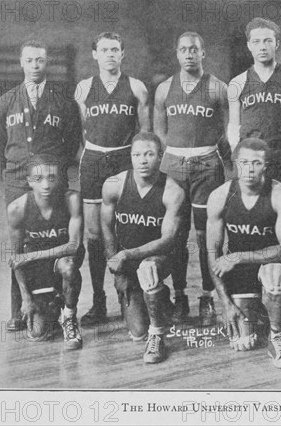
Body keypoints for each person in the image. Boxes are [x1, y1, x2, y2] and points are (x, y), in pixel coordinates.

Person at [0, 39, 83, 332]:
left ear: (47, 63)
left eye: (40, 61)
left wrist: (53, 170)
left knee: (55, 237)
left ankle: (56, 300)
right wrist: (16, 170)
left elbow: (72, 141)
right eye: (29, 60)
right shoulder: (7, 100)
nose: (34, 66)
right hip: (18, 180)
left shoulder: (62, 100)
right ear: (21, 63)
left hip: (52, 180)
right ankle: (18, 309)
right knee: (20, 244)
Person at [228, 17, 281, 330]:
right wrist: (243, 159)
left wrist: (278, 154)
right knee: (251, 228)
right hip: (249, 166)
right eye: (256, 41)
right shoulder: (237, 83)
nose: (262, 46)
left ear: (277, 44)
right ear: (249, 46)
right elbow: (234, 128)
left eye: (268, 41)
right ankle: (252, 301)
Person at [75, 32, 150, 327]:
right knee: (94, 235)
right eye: (104, 49)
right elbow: (81, 132)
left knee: (127, 229)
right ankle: (98, 300)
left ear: (122, 54)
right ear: (95, 54)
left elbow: (146, 136)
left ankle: (128, 294)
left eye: (115, 49)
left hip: (123, 159)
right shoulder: (83, 88)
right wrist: (90, 157)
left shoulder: (136, 87)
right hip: (94, 161)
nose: (109, 54)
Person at [153, 31, 228, 325]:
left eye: (194, 49)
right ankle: (180, 294)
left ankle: (207, 297)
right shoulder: (164, 89)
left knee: (206, 235)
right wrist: (174, 153)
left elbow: (227, 126)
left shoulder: (216, 88)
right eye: (183, 49)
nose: (188, 54)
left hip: (207, 164)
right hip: (172, 164)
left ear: (203, 53)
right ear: (177, 54)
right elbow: (159, 130)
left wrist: (207, 151)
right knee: (175, 235)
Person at [206, 138, 281, 369]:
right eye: (244, 162)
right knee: (243, 341)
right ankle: (259, 313)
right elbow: (212, 253)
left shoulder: (280, 194)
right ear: (235, 162)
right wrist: (225, 304)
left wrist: (239, 256)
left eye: (256, 163)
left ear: (266, 166)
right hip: (238, 275)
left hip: (270, 266)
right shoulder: (219, 196)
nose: (249, 169)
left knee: (275, 276)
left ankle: (276, 337)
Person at [101, 132, 184, 364]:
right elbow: (106, 228)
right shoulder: (114, 184)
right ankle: (159, 298)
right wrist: (116, 269)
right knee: (137, 331)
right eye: (137, 155)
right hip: (126, 263)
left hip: (158, 258)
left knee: (147, 268)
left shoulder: (172, 191)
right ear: (131, 157)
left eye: (149, 154)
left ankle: (157, 337)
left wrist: (128, 254)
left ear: (160, 157)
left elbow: (168, 240)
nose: (143, 160)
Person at [7, 154, 84, 349]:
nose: (46, 185)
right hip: (38, 270)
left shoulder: (71, 199)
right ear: (29, 181)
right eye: (38, 179)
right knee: (38, 333)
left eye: (51, 177)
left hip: (63, 261)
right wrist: (26, 298)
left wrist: (31, 255)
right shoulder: (17, 208)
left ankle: (69, 317)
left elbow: (74, 246)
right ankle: (52, 303)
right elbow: (17, 259)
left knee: (69, 267)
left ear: (59, 178)